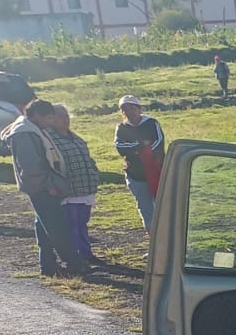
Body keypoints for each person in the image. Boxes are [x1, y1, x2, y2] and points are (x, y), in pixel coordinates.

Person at [1, 99, 87, 277]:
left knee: (44, 225)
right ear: (36, 115)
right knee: (56, 226)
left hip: (42, 185)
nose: (50, 123)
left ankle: (47, 265)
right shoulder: (25, 133)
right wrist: (49, 186)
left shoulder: (33, 129)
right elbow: (31, 166)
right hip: (41, 187)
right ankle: (73, 263)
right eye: (48, 118)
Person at [49, 104, 102, 268]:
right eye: (60, 117)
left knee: (82, 223)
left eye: (66, 116)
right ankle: (74, 256)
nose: (64, 120)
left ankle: (86, 253)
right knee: (70, 225)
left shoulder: (75, 137)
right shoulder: (50, 139)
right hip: (68, 191)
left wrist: (93, 173)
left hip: (84, 188)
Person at [114, 95, 165, 229]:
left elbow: (158, 143)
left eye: (132, 108)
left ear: (139, 108)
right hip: (135, 175)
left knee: (163, 206)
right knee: (145, 209)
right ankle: (154, 244)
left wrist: (134, 149)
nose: (129, 112)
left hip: (157, 171)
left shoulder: (152, 123)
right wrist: (141, 145)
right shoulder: (121, 128)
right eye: (125, 109)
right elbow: (120, 148)